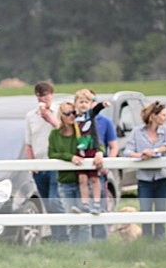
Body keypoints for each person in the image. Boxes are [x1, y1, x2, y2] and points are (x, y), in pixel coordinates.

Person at [49, 101, 104, 245]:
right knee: (71, 220)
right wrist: (70, 157)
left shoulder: (81, 129)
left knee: (84, 220)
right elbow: (52, 153)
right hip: (65, 182)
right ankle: (74, 249)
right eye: (68, 113)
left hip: (82, 182)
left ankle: (85, 250)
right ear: (62, 116)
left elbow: (97, 144)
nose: (72, 116)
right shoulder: (55, 134)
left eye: (74, 112)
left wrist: (99, 153)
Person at [24, 81, 66, 242]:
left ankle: (66, 235)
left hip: (56, 162)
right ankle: (57, 237)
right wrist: (31, 163)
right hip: (39, 166)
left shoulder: (59, 111)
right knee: (48, 203)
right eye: (40, 95)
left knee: (55, 201)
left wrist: (49, 118)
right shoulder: (30, 116)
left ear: (52, 95)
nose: (43, 98)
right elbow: (28, 143)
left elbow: (64, 131)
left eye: (46, 95)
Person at [124, 101, 166, 240]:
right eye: (162, 115)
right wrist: (141, 155)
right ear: (153, 116)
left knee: (161, 211)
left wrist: (153, 151)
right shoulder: (137, 132)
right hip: (144, 179)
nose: (165, 118)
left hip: (162, 178)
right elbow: (128, 151)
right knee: (146, 211)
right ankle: (147, 240)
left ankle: (160, 241)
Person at [71, 88, 108, 215]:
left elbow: (96, 109)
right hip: (80, 150)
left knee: (94, 178)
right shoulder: (74, 117)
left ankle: (97, 203)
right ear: (75, 103)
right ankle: (85, 204)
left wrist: (103, 105)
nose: (83, 105)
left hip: (91, 149)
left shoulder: (90, 115)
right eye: (81, 102)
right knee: (82, 178)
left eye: (86, 102)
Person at [90, 90, 118, 240]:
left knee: (101, 204)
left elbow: (113, 146)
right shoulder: (78, 120)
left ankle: (101, 240)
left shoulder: (105, 122)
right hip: (82, 171)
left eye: (91, 100)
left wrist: (108, 163)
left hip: (100, 171)